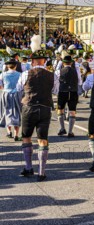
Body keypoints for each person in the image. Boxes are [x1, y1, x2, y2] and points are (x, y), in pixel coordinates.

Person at [17, 38, 59, 181]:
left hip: (29, 107)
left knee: (27, 137)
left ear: (33, 61)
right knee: (42, 139)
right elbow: (56, 90)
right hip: (45, 108)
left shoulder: (25, 74)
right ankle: (42, 172)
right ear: (44, 61)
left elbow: (18, 89)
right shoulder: (52, 75)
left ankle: (29, 168)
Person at [55, 55, 80, 137]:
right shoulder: (76, 70)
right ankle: (70, 131)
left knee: (60, 110)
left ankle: (62, 129)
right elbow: (79, 81)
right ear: (71, 62)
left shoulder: (59, 71)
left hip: (62, 91)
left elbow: (56, 82)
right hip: (73, 91)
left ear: (63, 63)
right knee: (72, 111)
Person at [0, 58, 22, 140]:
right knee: (17, 113)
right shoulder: (20, 74)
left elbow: (0, 86)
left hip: (6, 94)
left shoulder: (2, 74)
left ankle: (9, 133)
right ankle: (16, 135)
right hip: (16, 94)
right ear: (15, 66)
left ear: (7, 66)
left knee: (7, 112)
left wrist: (6, 88)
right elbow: (21, 86)